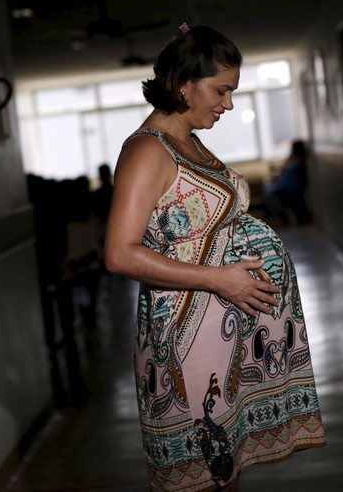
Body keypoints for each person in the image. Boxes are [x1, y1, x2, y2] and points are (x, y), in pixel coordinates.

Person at [105, 24, 326, 491]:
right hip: (187, 339)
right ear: (184, 83)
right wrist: (219, 279)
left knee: (226, 472)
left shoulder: (190, 141)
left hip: (222, 336)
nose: (228, 103)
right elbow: (120, 255)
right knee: (205, 473)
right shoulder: (147, 151)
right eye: (221, 90)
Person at [264, 140, 312, 225]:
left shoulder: (296, 164)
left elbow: (290, 181)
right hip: (288, 187)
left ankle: (277, 217)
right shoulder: (294, 162)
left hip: (290, 190)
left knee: (270, 192)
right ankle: (275, 216)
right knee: (267, 189)